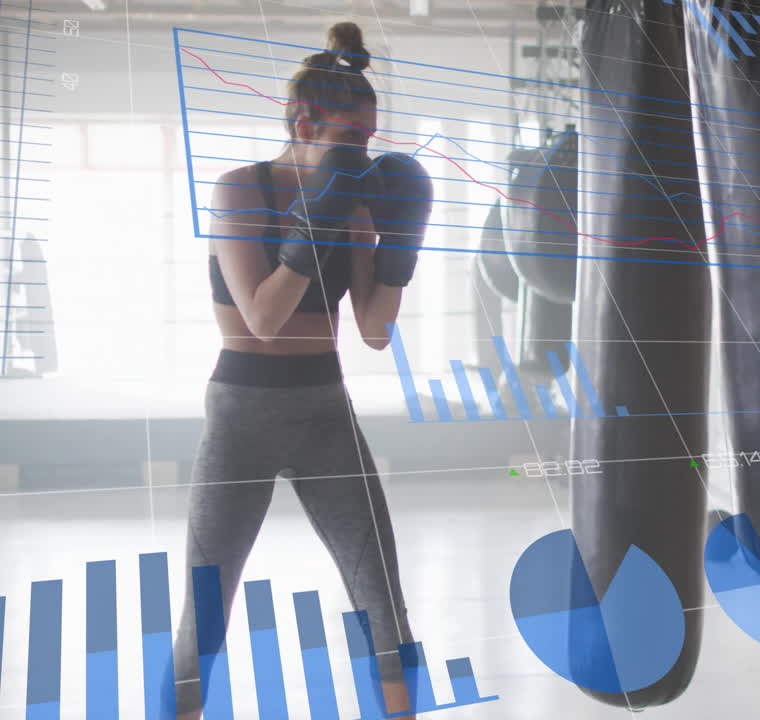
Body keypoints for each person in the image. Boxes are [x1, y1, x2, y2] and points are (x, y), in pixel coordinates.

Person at [168, 21, 432, 718]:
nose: (362, 154)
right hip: (242, 414)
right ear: (302, 121)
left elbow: (374, 333)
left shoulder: (356, 207)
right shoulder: (239, 191)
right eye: (350, 140)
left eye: (370, 141)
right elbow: (260, 317)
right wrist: (316, 221)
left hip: (324, 408)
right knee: (205, 613)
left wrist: (400, 244)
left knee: (382, 598)